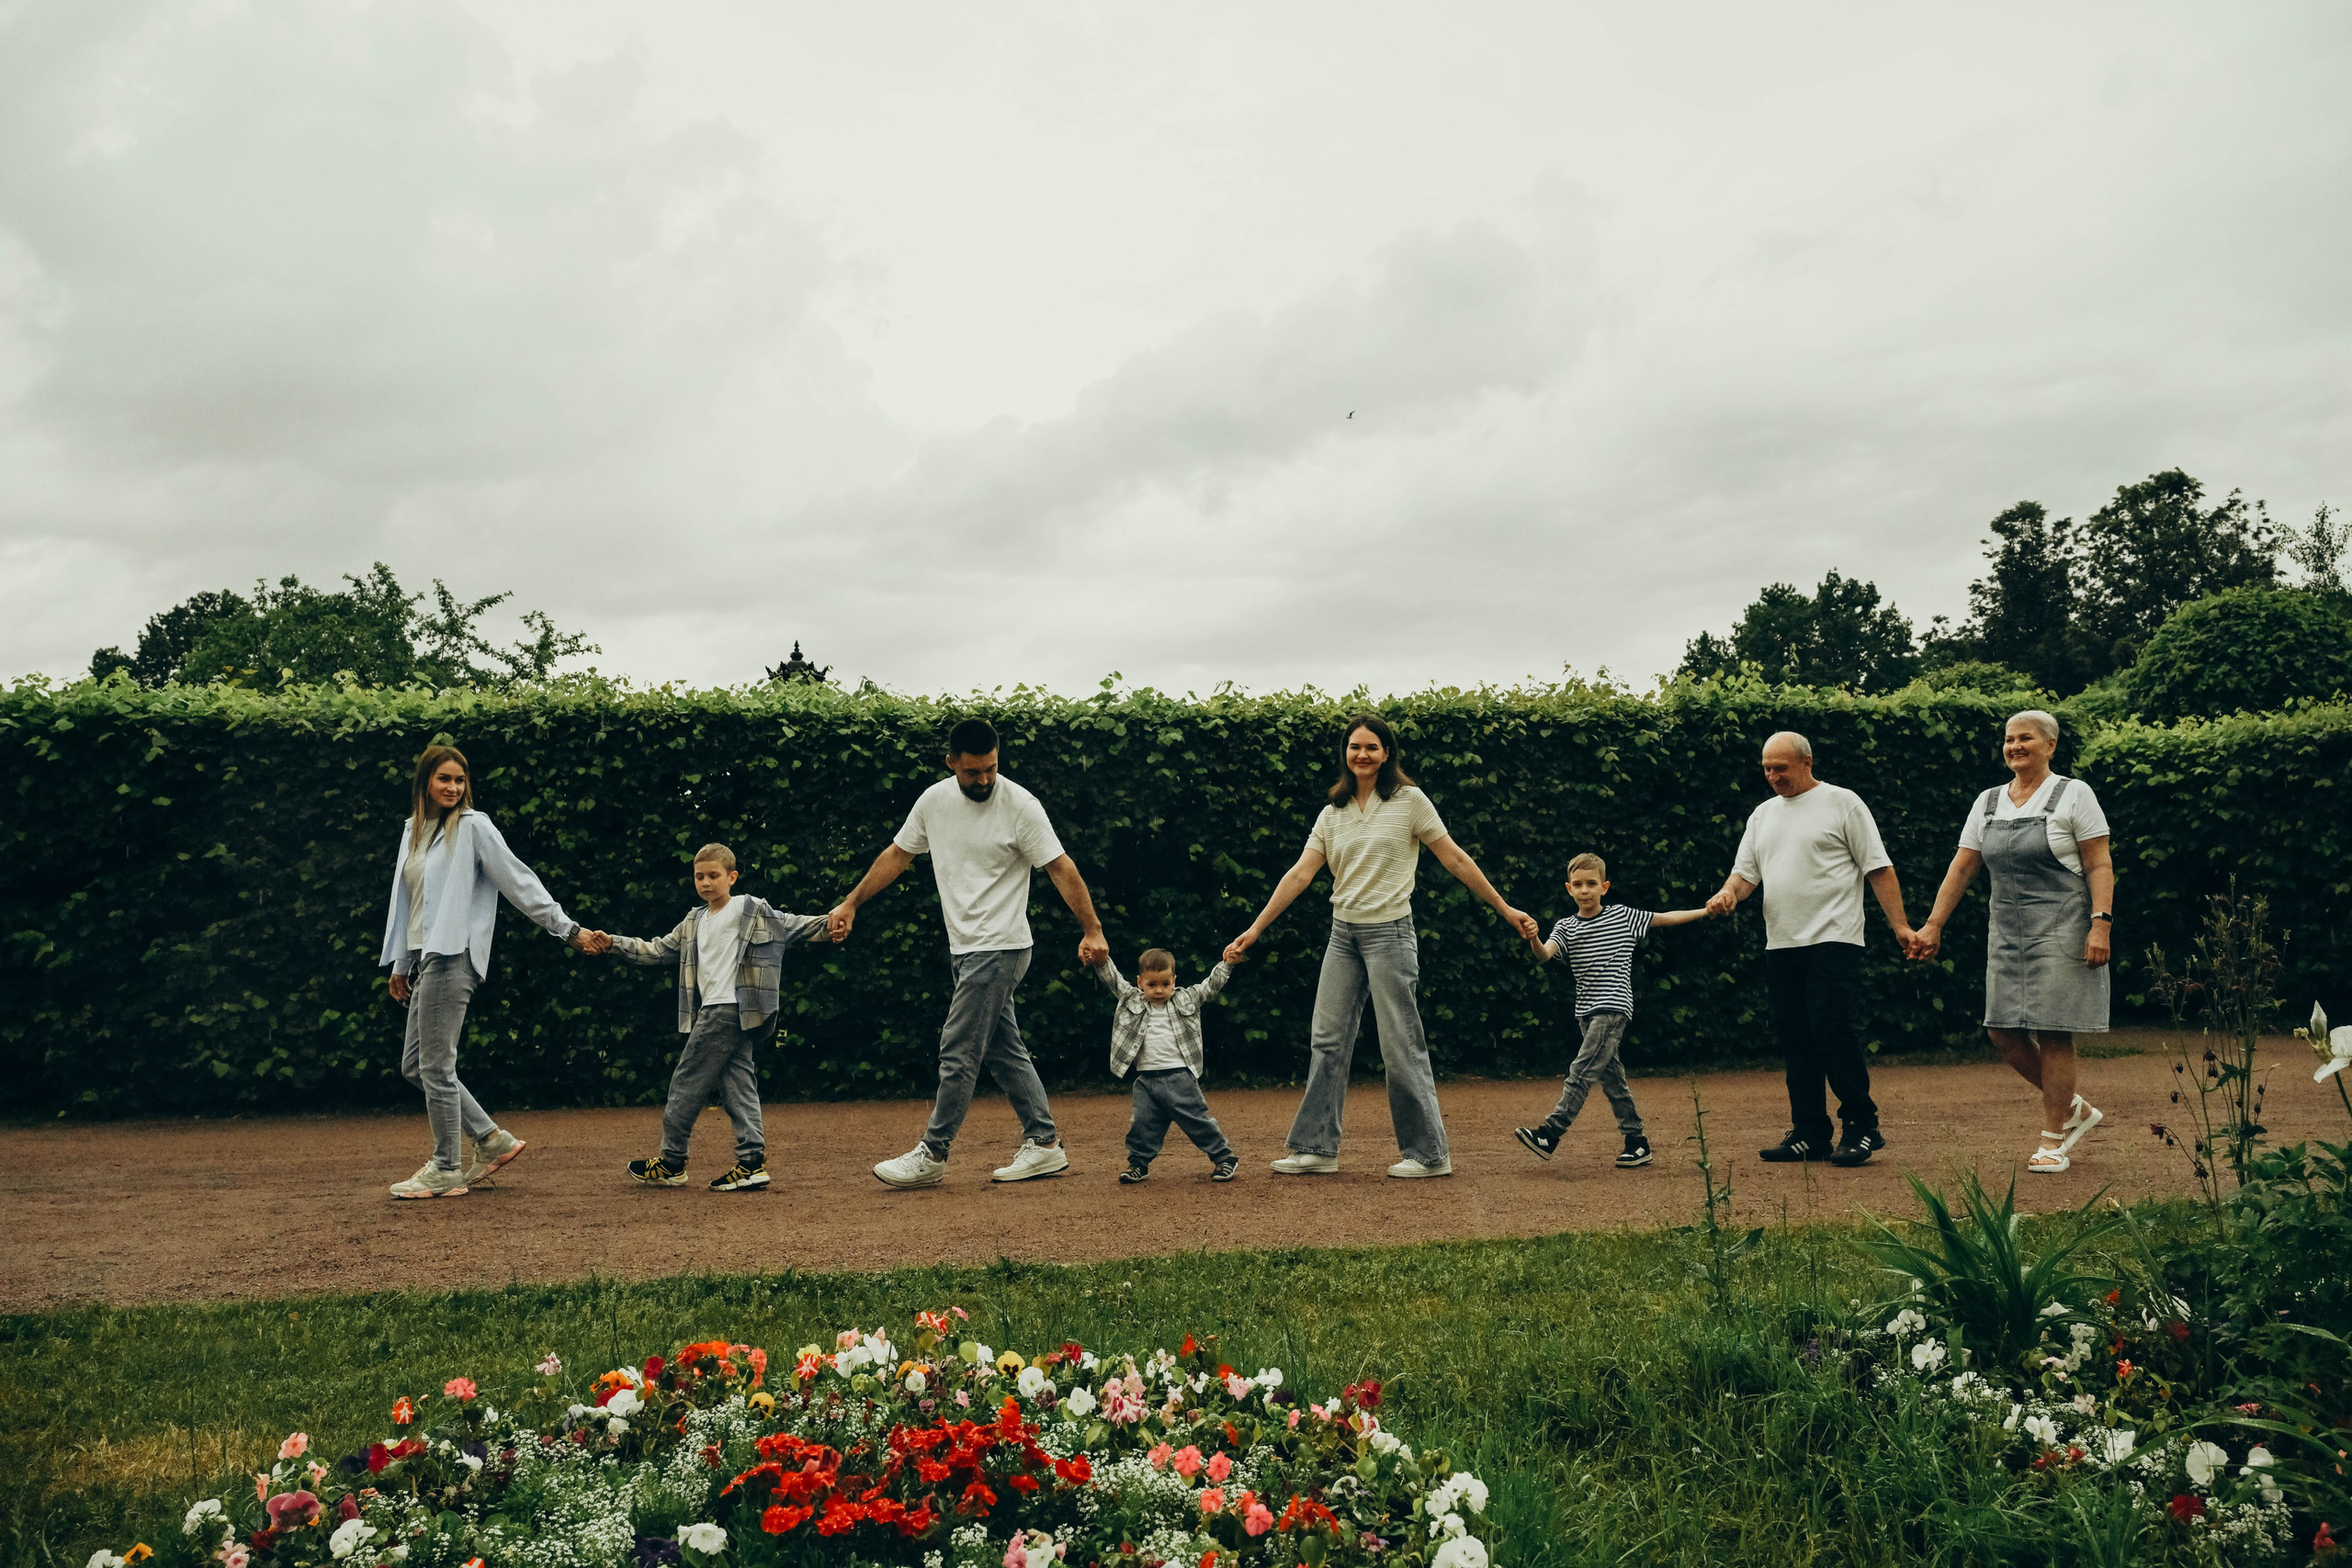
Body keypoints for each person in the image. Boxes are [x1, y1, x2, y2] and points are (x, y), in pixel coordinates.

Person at [1228, 713, 1539, 1179]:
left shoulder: (1410, 801)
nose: (1362, 755)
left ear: (1387, 753)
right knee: (1327, 1040)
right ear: (1345, 754)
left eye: (1371, 747)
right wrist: (1256, 928)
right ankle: (1316, 1148)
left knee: (1400, 1046)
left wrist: (1504, 907)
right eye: (1355, 747)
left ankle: (1430, 1155)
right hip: (1342, 935)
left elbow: (1454, 856)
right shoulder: (1332, 812)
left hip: (1390, 934)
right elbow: (1301, 873)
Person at [830, 717, 1111, 1188]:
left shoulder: (1021, 805)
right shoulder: (933, 801)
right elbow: (897, 855)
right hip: (966, 947)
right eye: (973, 772)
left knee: (958, 1050)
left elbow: (1061, 868)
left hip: (1000, 945)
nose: (984, 780)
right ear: (951, 763)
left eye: (991, 769)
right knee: (1002, 1050)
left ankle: (933, 1154)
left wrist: (1092, 929)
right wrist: (852, 901)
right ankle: (1044, 1145)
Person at [377, 743, 605, 1200]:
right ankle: (490, 1138)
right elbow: (411, 904)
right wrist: (402, 962)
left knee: (436, 1066)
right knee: (414, 1065)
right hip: (426, 958)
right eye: (444, 779)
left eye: (460, 780)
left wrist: (569, 930)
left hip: (455, 955)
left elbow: (520, 882)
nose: (453, 788)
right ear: (424, 782)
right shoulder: (413, 831)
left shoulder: (474, 827)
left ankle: (446, 1167)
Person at [1911, 710, 2113, 1173]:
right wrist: (1933, 924)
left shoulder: (2074, 794)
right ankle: (2074, 1109)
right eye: (2008, 739)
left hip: (2064, 925)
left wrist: (2100, 923)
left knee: (2053, 1030)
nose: (2014, 746)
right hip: (2006, 930)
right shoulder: (1987, 802)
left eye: (2026, 738)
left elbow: (2099, 863)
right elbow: (1963, 867)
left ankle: (2052, 1140)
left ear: (2051, 745)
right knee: (2001, 1030)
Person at [1705, 731, 1917, 1168]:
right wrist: (1728, 895)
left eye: (1780, 767)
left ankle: (1861, 1126)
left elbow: (1878, 867)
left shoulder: (1844, 803)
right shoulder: (1762, 816)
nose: (1772, 776)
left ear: (1807, 762)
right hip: (1781, 943)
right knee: (1794, 1035)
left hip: (1835, 939)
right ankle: (1810, 1131)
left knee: (1832, 1028)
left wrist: (1900, 925)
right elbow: (1744, 876)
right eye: (1766, 768)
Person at [598, 842, 834, 1192]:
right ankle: (752, 1163)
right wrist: (613, 943)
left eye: (713, 875)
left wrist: (832, 923)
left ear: (732, 877)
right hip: (721, 1012)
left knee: (686, 1081)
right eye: (699, 876)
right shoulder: (693, 920)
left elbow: (793, 925)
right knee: (737, 1083)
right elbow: (657, 949)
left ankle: (672, 1162)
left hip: (728, 1008)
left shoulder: (749, 908)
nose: (706, 882)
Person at [1514, 852, 1718, 1169]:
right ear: (1569, 889)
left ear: (1604, 887)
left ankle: (1550, 1133)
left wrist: (1705, 910)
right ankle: (1637, 1142)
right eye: (1578, 885)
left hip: (1613, 1007)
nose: (1585, 890)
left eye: (1591, 884)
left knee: (1580, 1072)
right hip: (1586, 1012)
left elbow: (1665, 917)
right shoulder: (1565, 927)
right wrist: (1533, 938)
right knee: (1613, 1080)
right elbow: (1544, 954)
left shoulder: (1623, 916)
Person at [1088, 943, 1245, 1184]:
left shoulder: (1187, 998)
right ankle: (1138, 1164)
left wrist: (1228, 964)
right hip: (1146, 1080)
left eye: (1165, 984)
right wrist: (1101, 961)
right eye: (1152, 985)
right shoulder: (1132, 1000)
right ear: (1140, 982)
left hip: (1180, 1076)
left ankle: (1224, 1158)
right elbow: (1113, 980)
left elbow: (1210, 986)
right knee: (1142, 1124)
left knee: (1197, 1121)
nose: (1159, 991)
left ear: (1174, 980)